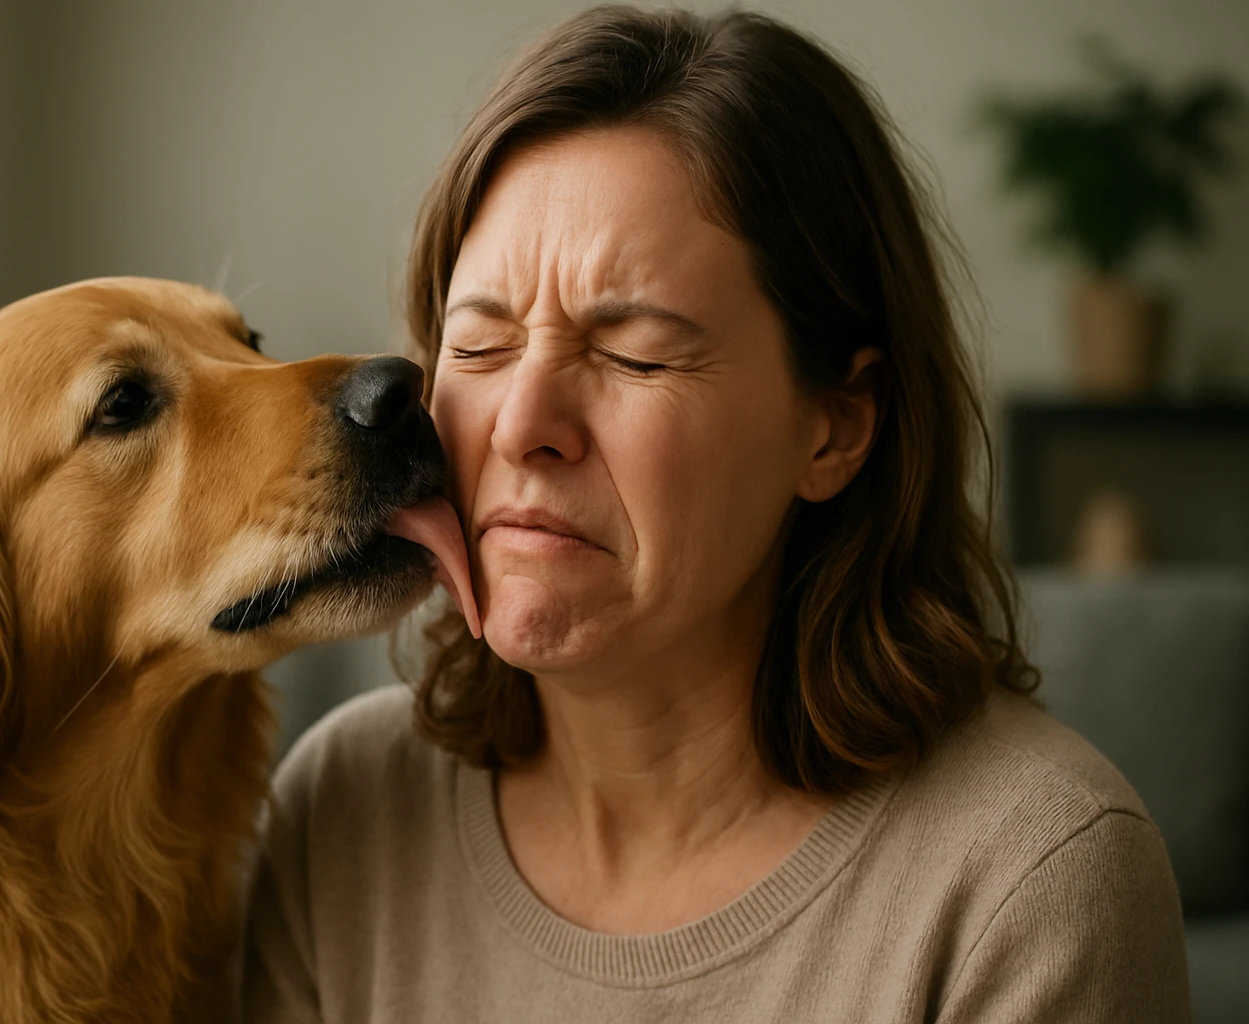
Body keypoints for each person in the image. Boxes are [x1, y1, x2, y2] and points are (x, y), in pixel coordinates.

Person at [238, 6, 1191, 1021]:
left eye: (634, 353)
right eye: (478, 347)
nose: (522, 425)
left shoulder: (1033, 880)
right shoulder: (340, 810)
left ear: (835, 427)